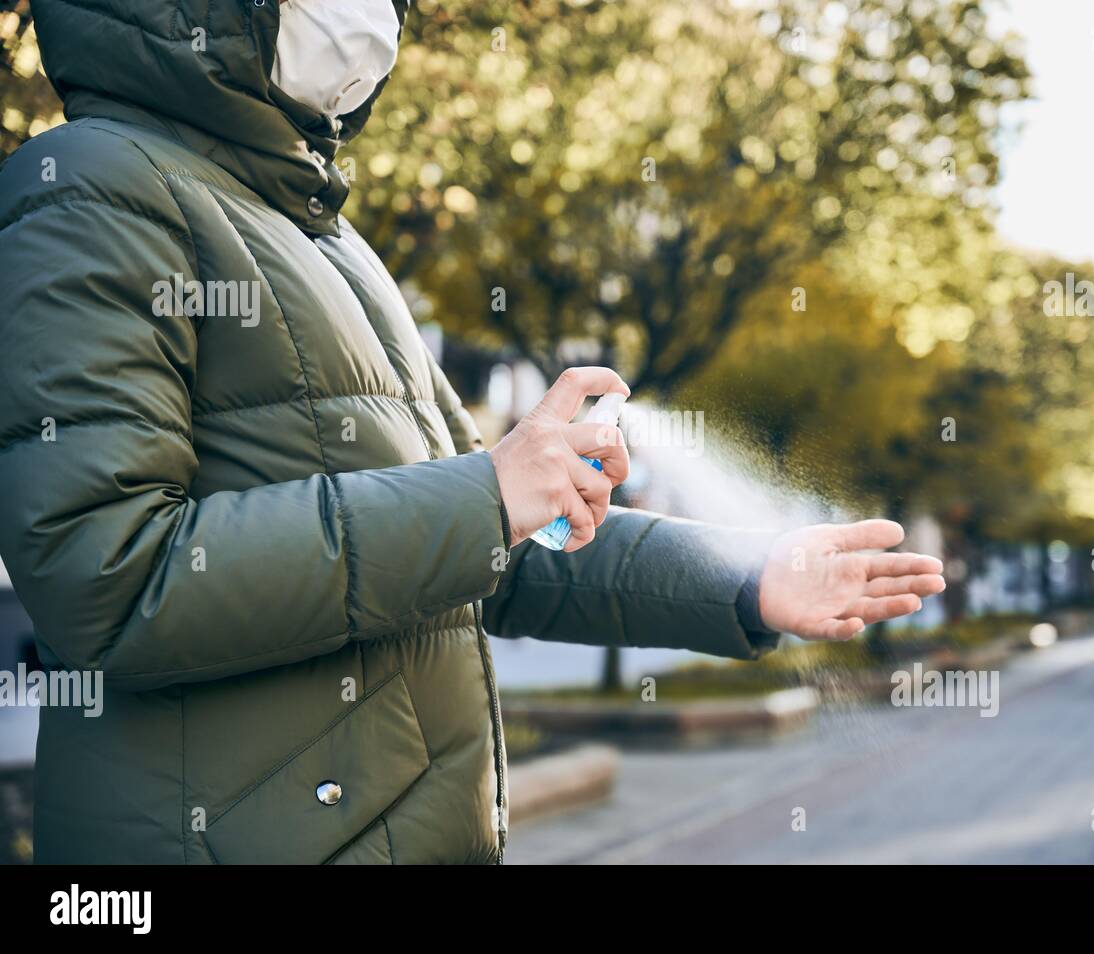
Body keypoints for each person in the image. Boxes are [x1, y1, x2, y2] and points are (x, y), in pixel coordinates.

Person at [0, 0, 944, 864]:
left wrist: (744, 577)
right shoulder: (89, 188)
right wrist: (489, 494)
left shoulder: (328, 241)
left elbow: (489, 551)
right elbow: (109, 580)